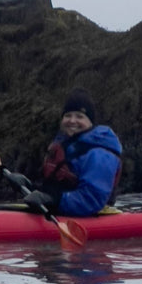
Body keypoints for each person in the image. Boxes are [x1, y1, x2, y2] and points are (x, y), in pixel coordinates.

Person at [9, 88, 122, 217]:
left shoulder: (100, 153)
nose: (72, 121)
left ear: (90, 122)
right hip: (59, 210)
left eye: (80, 116)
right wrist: (28, 185)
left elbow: (92, 199)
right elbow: (55, 187)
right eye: (68, 115)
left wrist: (53, 200)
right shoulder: (66, 144)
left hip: (90, 214)